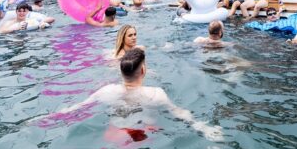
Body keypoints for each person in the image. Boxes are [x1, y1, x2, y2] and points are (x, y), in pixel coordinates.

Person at [60, 48, 222, 140]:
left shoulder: (106, 91)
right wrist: (202, 127)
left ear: (121, 71)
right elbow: (178, 113)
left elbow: (78, 108)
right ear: (143, 70)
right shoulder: (156, 94)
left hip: (113, 133)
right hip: (143, 135)